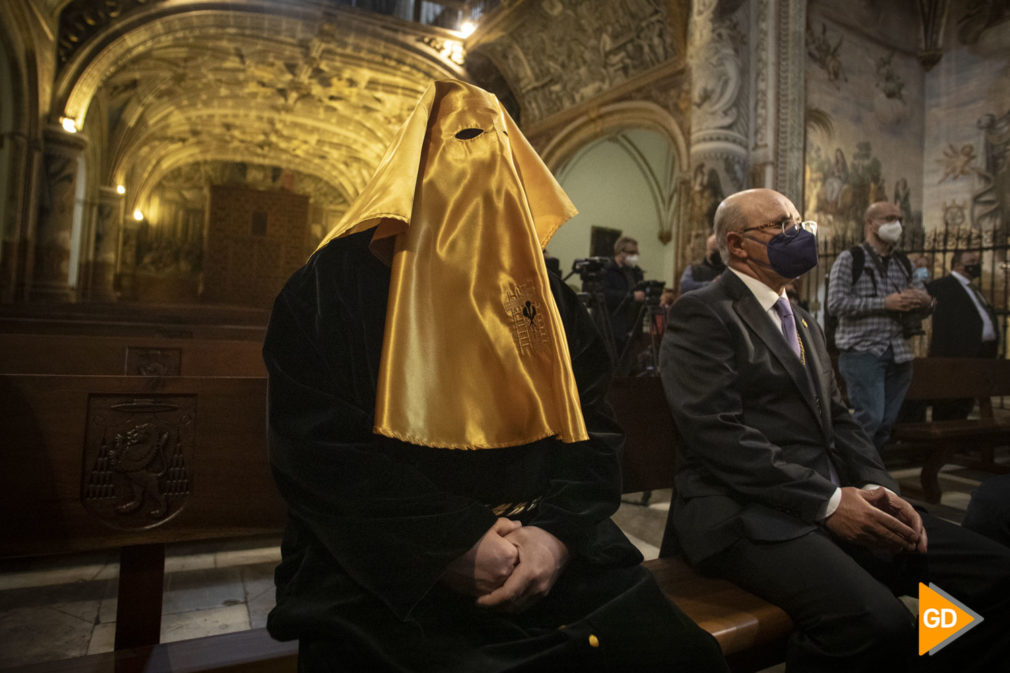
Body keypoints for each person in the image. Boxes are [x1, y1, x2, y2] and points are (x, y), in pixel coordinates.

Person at [263, 79, 727, 673]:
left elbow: (596, 435)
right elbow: (316, 450)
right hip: (386, 562)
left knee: (680, 656)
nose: (479, 160)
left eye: (496, 145)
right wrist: (453, 542)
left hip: (549, 552)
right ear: (415, 164)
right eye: (459, 141)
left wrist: (553, 538)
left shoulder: (547, 298)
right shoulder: (331, 287)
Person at [660, 188, 1010, 673]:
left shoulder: (801, 319)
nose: (800, 234)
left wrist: (880, 489)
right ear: (737, 245)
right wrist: (827, 502)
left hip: (829, 496)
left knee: (995, 575)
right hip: (747, 513)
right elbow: (717, 434)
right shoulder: (705, 311)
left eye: (800, 222)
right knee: (874, 623)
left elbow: (840, 420)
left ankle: (924, 654)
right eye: (783, 225)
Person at [827, 201, 933, 451]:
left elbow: (924, 297)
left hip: (899, 352)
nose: (896, 224)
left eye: (899, 219)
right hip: (864, 351)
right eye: (888, 218)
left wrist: (925, 300)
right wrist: (884, 303)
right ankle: (848, 472)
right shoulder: (850, 259)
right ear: (870, 223)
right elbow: (836, 303)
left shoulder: (903, 263)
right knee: (869, 418)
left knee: (886, 422)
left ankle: (873, 474)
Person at [926, 250, 999, 420]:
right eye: (972, 261)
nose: (977, 265)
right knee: (950, 405)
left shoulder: (972, 288)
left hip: (980, 353)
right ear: (958, 265)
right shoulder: (942, 286)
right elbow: (940, 324)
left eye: (978, 261)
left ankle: (958, 445)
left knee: (965, 403)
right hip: (956, 356)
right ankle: (945, 445)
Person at [601, 236, 645, 357]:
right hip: (613, 326)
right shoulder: (607, 270)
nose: (635, 256)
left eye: (637, 252)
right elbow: (605, 295)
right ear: (620, 252)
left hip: (632, 325)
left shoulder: (636, 272)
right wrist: (631, 296)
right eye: (631, 252)